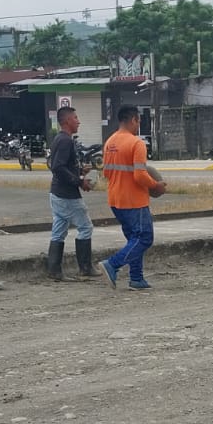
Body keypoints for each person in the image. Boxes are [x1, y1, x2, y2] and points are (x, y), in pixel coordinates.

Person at [100, 105, 166, 291]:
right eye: (138, 121)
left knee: (133, 240)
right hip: (134, 201)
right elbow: (139, 175)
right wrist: (156, 185)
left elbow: (106, 173)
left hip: (115, 199)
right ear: (134, 120)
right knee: (144, 238)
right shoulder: (136, 143)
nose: (138, 125)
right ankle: (112, 265)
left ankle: (136, 278)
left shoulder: (110, 142)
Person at [46, 106, 99, 281]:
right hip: (67, 195)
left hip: (57, 192)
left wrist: (80, 171)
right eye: (75, 118)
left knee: (59, 230)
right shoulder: (65, 141)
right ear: (68, 121)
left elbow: (61, 166)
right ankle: (85, 268)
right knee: (85, 227)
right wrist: (79, 181)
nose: (78, 121)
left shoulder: (60, 139)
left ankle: (54, 270)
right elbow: (58, 167)